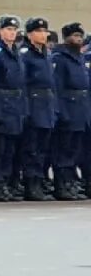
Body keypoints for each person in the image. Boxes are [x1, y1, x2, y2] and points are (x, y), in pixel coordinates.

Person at [0, 14, 26, 201]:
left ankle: (6, 183)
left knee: (10, 150)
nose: (12, 33)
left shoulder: (15, 52)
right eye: (8, 29)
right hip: (2, 103)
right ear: (0, 31)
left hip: (15, 105)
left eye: (14, 30)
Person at [19, 17, 58, 201]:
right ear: (29, 34)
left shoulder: (47, 54)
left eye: (45, 31)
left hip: (47, 105)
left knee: (43, 148)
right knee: (31, 148)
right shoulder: (25, 54)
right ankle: (31, 184)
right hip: (34, 104)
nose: (43, 35)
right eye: (39, 31)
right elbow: (23, 83)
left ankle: (39, 181)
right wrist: (26, 109)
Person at [52, 21, 89, 198]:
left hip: (81, 110)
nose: (78, 39)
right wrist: (61, 111)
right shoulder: (60, 59)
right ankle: (62, 184)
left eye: (80, 36)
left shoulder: (79, 58)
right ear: (66, 38)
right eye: (75, 36)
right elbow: (57, 88)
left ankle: (72, 183)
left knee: (75, 150)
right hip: (68, 108)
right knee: (64, 150)